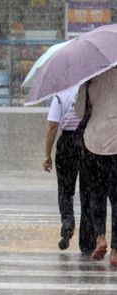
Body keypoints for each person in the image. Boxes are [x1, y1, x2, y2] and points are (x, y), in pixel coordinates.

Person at [43, 85, 95, 254]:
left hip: (66, 143)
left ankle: (67, 223)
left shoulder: (60, 94)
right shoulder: (90, 90)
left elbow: (52, 126)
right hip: (87, 142)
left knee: (65, 190)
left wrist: (47, 155)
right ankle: (87, 241)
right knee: (88, 192)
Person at [75, 68, 117, 266]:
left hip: (95, 141)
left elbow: (79, 112)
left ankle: (100, 237)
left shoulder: (90, 77)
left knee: (97, 193)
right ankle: (116, 250)